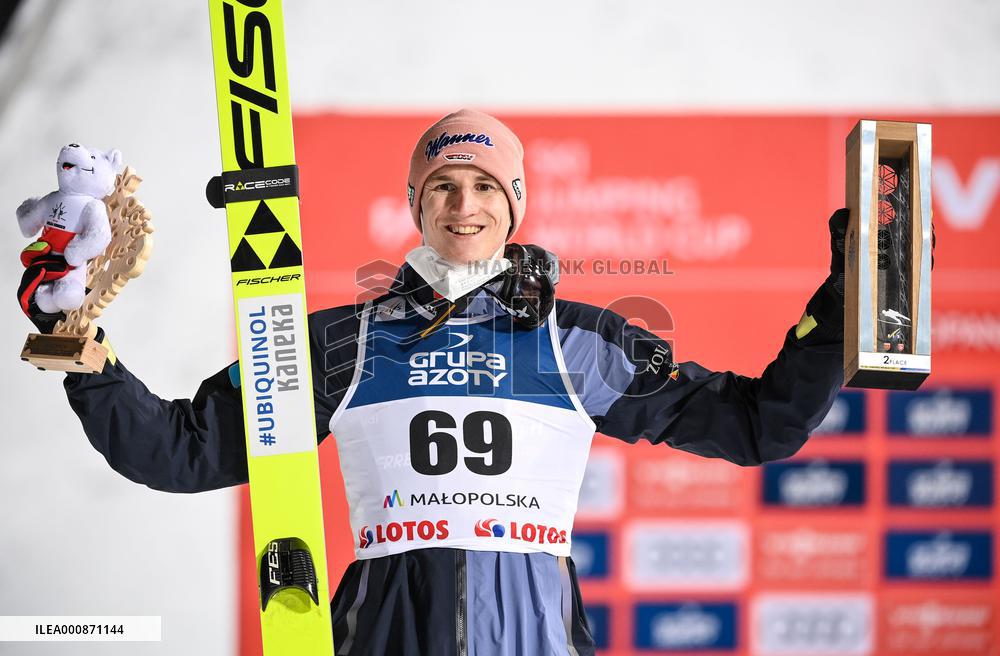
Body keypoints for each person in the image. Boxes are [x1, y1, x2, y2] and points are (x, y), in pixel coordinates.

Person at [55, 110, 846, 655]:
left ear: (516, 205)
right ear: (414, 204)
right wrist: (78, 346)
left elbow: (755, 425)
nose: (463, 205)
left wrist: (845, 306)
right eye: (442, 185)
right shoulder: (341, 344)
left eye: (485, 186)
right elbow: (179, 452)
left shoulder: (576, 341)